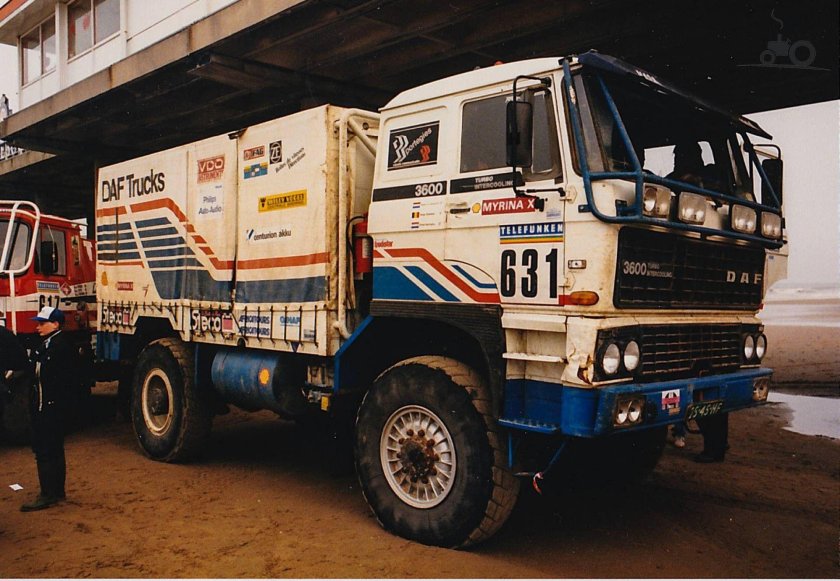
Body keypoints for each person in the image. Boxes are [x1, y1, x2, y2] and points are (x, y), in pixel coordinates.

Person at [20, 306, 78, 512]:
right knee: (53, 448)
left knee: (45, 449)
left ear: (55, 324)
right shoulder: (50, 343)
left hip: (49, 407)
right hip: (50, 406)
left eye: (42, 323)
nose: (38, 327)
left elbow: (44, 374)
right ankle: (56, 491)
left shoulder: (58, 346)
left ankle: (48, 493)